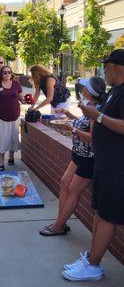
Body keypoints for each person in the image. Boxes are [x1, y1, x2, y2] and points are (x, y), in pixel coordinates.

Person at [62, 49, 124, 282]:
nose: (104, 72)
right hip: (105, 163)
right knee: (100, 213)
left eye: (106, 68)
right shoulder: (114, 92)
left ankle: (94, 266)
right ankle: (90, 258)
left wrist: (96, 116)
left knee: (107, 216)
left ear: (117, 67)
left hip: (117, 168)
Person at [39, 76, 106, 236]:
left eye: (85, 88)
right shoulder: (89, 106)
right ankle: (62, 221)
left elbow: (93, 138)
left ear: (90, 92)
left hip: (89, 158)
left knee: (73, 191)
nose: (82, 89)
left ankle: (58, 226)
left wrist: (73, 130)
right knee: (64, 183)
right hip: (78, 153)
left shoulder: (96, 110)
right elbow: (82, 121)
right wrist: (69, 113)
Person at [0, 65, 25, 171]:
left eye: (9, 72)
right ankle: (1, 163)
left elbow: (21, 98)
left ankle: (11, 157)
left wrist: (26, 100)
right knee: (1, 139)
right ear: (1, 74)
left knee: (13, 138)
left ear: (11, 74)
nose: (7, 74)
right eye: (5, 72)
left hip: (14, 115)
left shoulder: (16, 84)